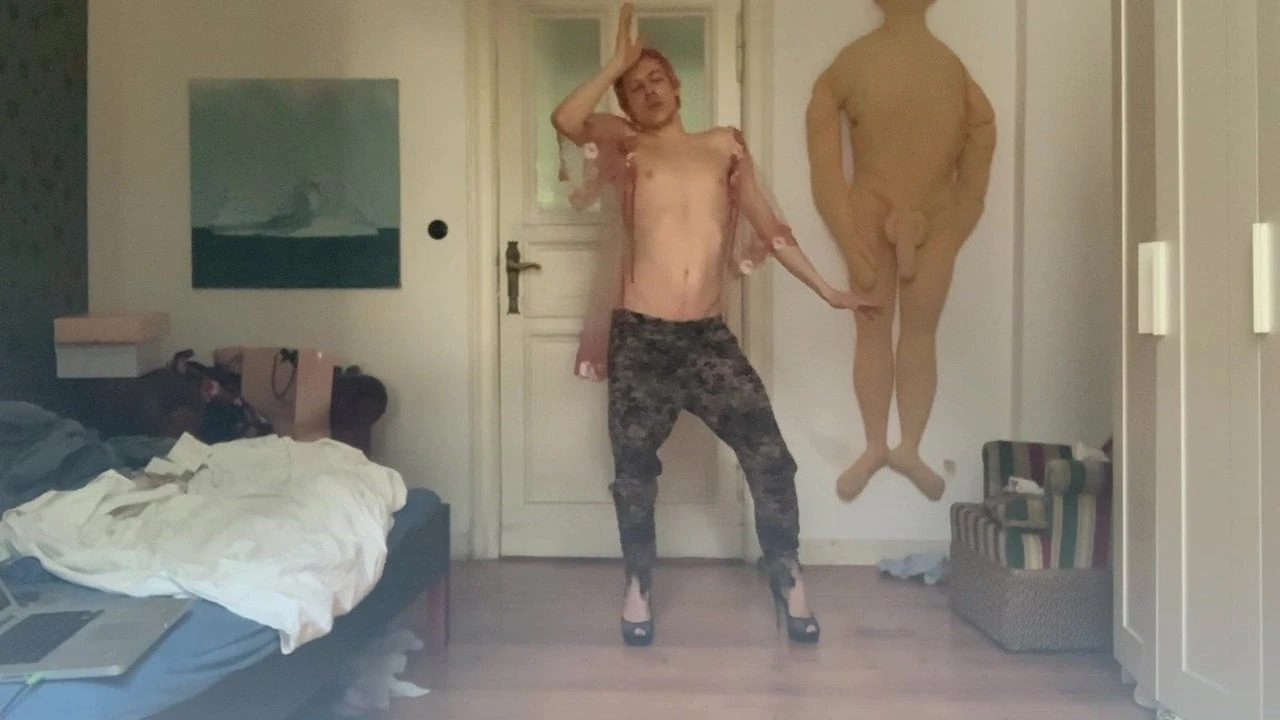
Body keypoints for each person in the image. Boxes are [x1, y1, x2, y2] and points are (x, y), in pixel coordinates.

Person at [550, 2, 878, 647]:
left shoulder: (724, 146)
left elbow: (771, 229)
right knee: (634, 471)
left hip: (706, 340)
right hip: (641, 338)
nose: (647, 91)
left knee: (771, 458)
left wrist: (828, 291)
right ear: (626, 102)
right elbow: (565, 119)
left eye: (656, 79)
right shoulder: (626, 145)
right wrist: (615, 62)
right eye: (634, 87)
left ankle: (786, 573)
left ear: (678, 88)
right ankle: (638, 584)